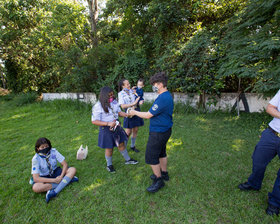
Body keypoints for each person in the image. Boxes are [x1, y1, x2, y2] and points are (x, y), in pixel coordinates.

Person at [129, 72, 174, 193]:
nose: (153, 86)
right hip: (165, 130)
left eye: (154, 84)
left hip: (158, 132)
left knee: (151, 156)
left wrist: (134, 113)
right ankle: (164, 173)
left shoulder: (163, 98)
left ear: (160, 84)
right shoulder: (166, 95)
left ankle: (159, 181)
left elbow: (148, 115)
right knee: (161, 153)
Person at [238, 89, 280, 216]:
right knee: (258, 161)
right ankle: (254, 183)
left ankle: (275, 203)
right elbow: (270, 108)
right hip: (272, 133)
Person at [92, 86, 138, 173]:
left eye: (112, 95)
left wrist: (125, 114)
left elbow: (118, 112)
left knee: (121, 144)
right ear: (103, 96)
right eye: (109, 96)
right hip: (106, 129)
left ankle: (128, 160)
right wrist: (108, 123)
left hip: (116, 126)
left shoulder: (114, 102)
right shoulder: (98, 106)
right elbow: (94, 121)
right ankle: (109, 165)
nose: (111, 97)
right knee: (109, 148)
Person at [30, 137, 78, 203]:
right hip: (44, 177)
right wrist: (54, 180)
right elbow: (36, 178)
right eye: (42, 147)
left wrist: (61, 176)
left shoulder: (53, 151)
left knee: (72, 169)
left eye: (46, 146)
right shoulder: (35, 159)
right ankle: (68, 180)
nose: (45, 148)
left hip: (56, 172)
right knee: (36, 187)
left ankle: (54, 192)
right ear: (38, 148)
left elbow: (64, 164)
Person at [118, 79, 144, 153]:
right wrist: (133, 104)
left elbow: (140, 96)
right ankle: (124, 147)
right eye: (127, 84)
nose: (129, 85)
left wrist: (141, 100)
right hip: (129, 113)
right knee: (128, 131)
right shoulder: (121, 94)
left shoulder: (133, 91)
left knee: (135, 130)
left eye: (129, 83)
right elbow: (122, 106)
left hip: (136, 111)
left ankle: (132, 146)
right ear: (123, 86)